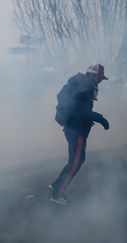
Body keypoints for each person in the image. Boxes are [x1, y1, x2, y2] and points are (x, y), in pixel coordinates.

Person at [49, 64, 110, 205]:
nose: (100, 81)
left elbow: (77, 109)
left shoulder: (78, 84)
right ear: (92, 75)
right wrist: (100, 118)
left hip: (72, 127)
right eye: (99, 78)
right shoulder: (86, 87)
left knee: (75, 161)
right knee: (76, 162)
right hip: (77, 130)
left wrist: (88, 118)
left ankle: (57, 184)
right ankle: (57, 194)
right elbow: (81, 110)